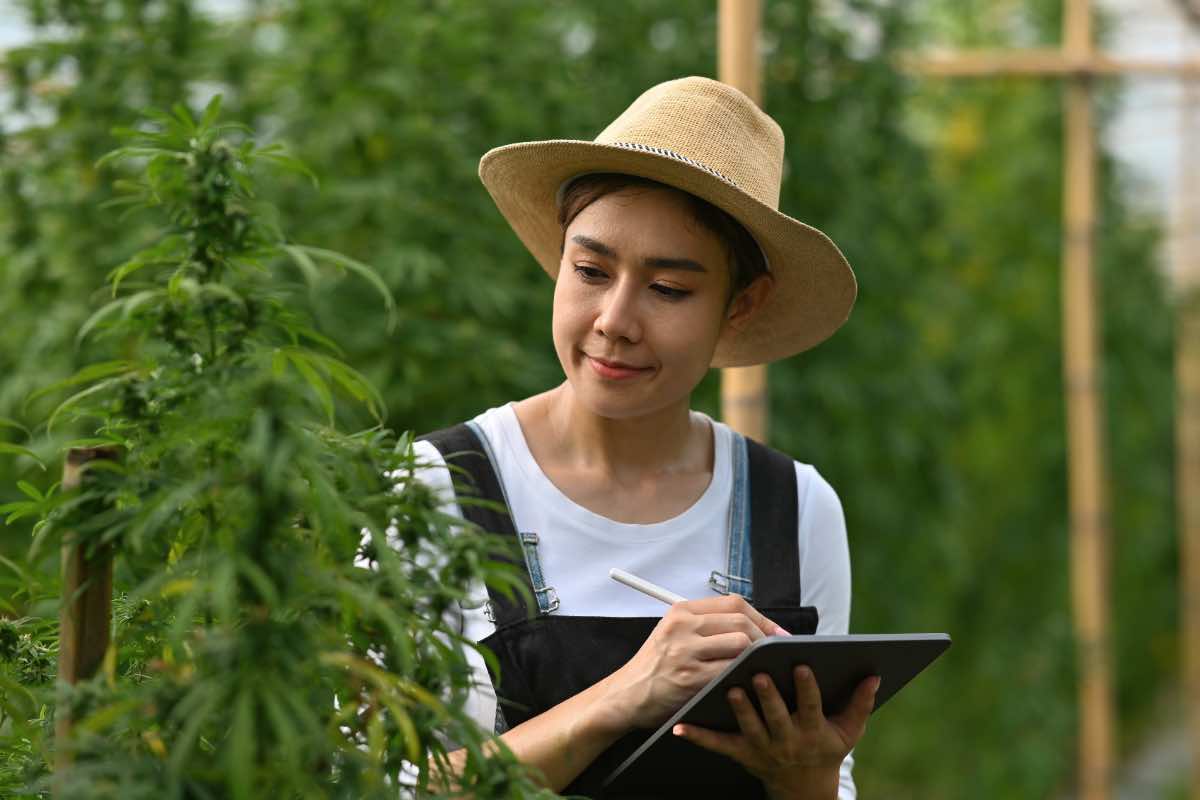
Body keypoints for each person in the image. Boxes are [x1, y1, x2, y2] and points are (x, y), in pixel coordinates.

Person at [410, 76, 874, 799]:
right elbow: (370, 781)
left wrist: (808, 771)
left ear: (740, 305)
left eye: (669, 290)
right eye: (591, 271)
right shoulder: (434, 489)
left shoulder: (794, 510)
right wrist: (625, 693)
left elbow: (831, 787)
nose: (615, 320)